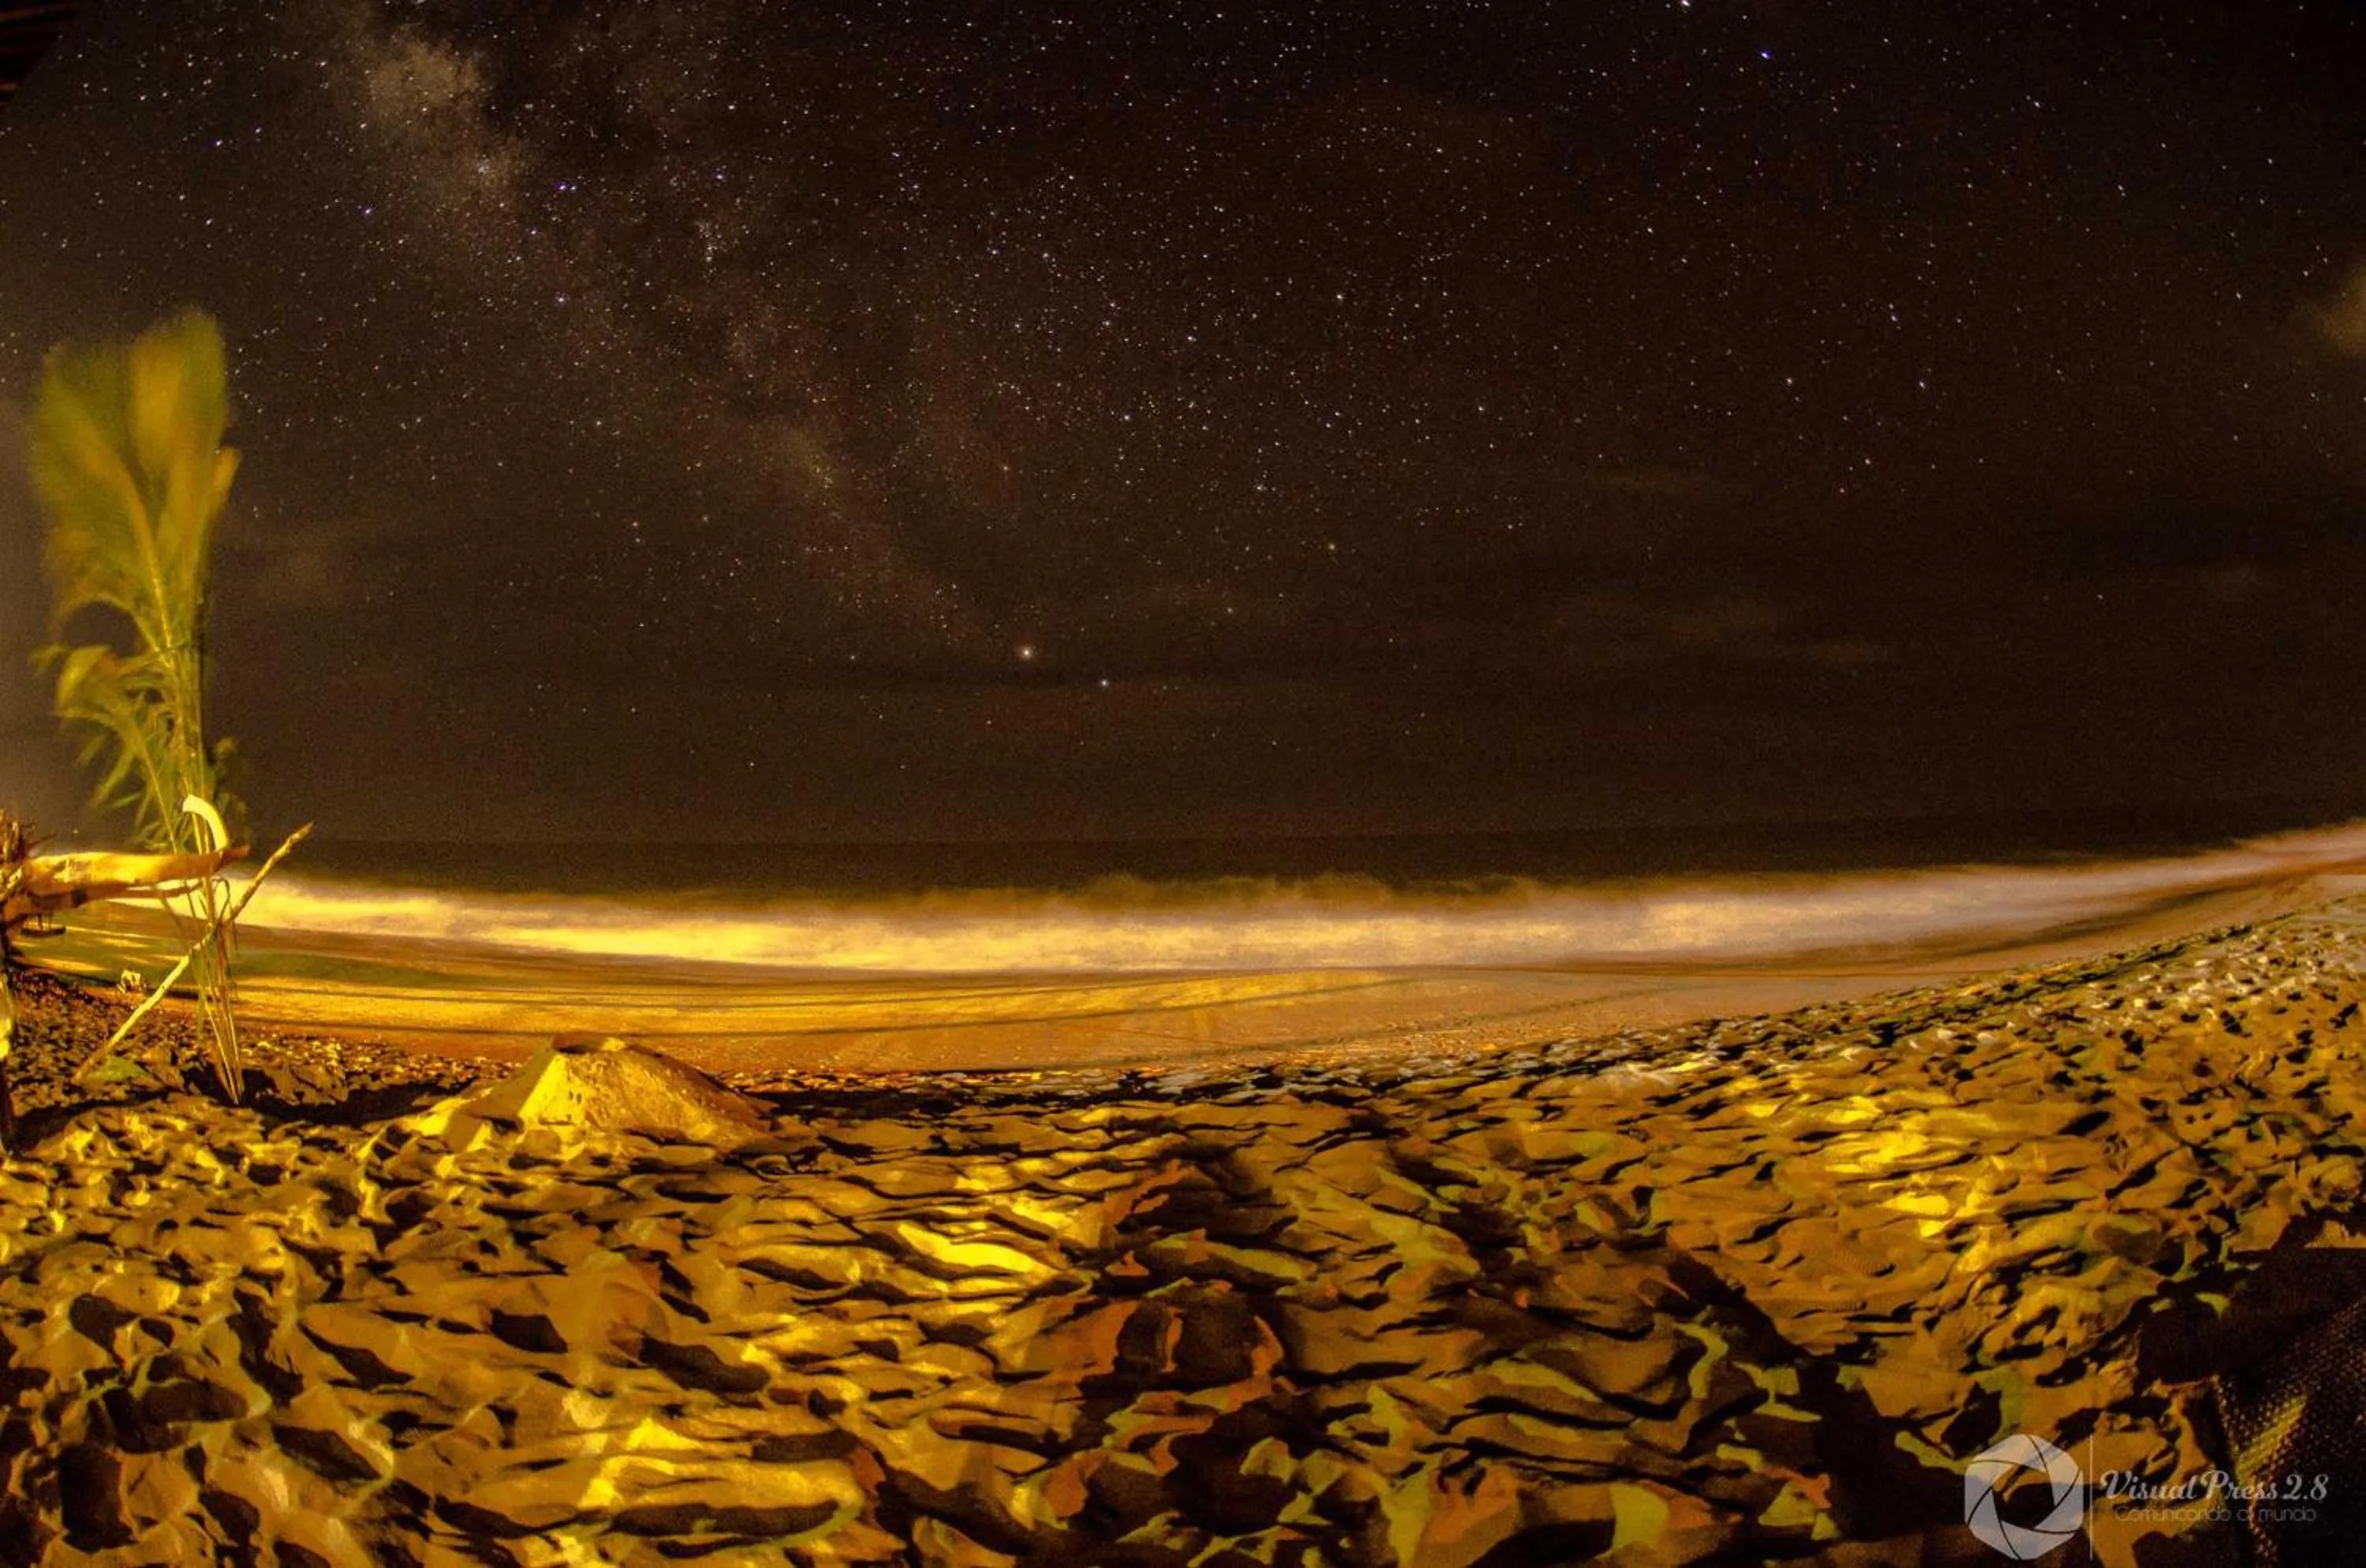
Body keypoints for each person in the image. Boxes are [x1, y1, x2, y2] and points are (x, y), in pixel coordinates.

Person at [0, 808, 248, 1146]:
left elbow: (109, 879)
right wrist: (212, 860)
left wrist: (205, 864)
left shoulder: (21, 890)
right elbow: (119, 869)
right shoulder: (21, 880)